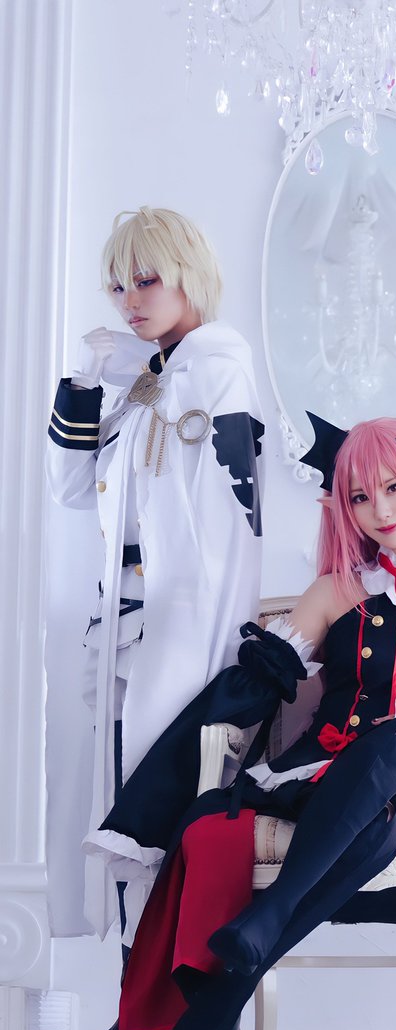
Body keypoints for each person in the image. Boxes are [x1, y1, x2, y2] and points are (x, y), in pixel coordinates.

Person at [46, 390, 396, 1030]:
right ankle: (201, 1021)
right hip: (330, 776)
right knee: (314, 824)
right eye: (359, 496)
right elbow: (258, 684)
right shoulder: (334, 592)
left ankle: (262, 924)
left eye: (394, 487)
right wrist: (178, 769)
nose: (379, 509)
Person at [46, 207, 265, 954]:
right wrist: (85, 383)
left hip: (182, 621)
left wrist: (205, 646)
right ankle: (133, 989)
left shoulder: (216, 370)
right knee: (116, 801)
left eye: (145, 280)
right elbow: (74, 487)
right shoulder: (151, 379)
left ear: (187, 277)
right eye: (117, 286)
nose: (129, 301)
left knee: (160, 803)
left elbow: (223, 528)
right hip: (121, 619)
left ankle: (172, 994)